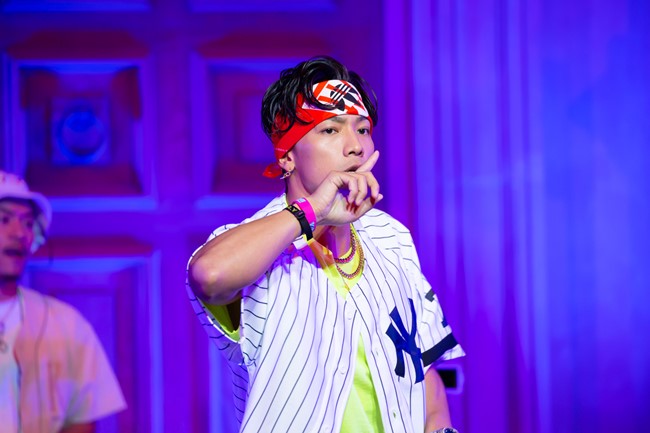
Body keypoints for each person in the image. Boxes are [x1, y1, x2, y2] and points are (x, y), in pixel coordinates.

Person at [187, 56, 464, 433]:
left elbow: (423, 369)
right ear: (287, 155)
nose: (355, 146)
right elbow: (209, 274)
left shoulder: (391, 236)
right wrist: (313, 210)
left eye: (362, 129)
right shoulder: (254, 243)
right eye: (331, 130)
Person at [0, 171, 126, 433]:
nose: (19, 233)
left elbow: (81, 421)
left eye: (27, 223)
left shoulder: (67, 324)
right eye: (4, 220)